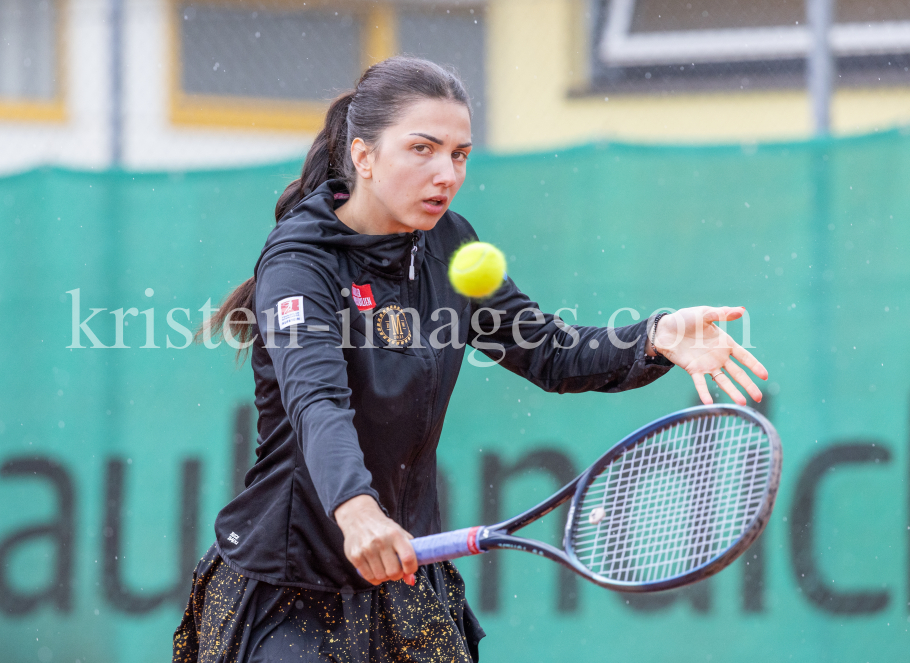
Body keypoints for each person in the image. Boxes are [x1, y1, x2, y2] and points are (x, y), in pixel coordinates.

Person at [172, 56, 768, 663]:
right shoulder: (299, 263)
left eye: (459, 154)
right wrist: (357, 512)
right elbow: (316, 402)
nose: (446, 173)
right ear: (364, 155)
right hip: (290, 590)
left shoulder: (451, 244)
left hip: (405, 587)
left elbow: (551, 352)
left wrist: (653, 336)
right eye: (422, 149)